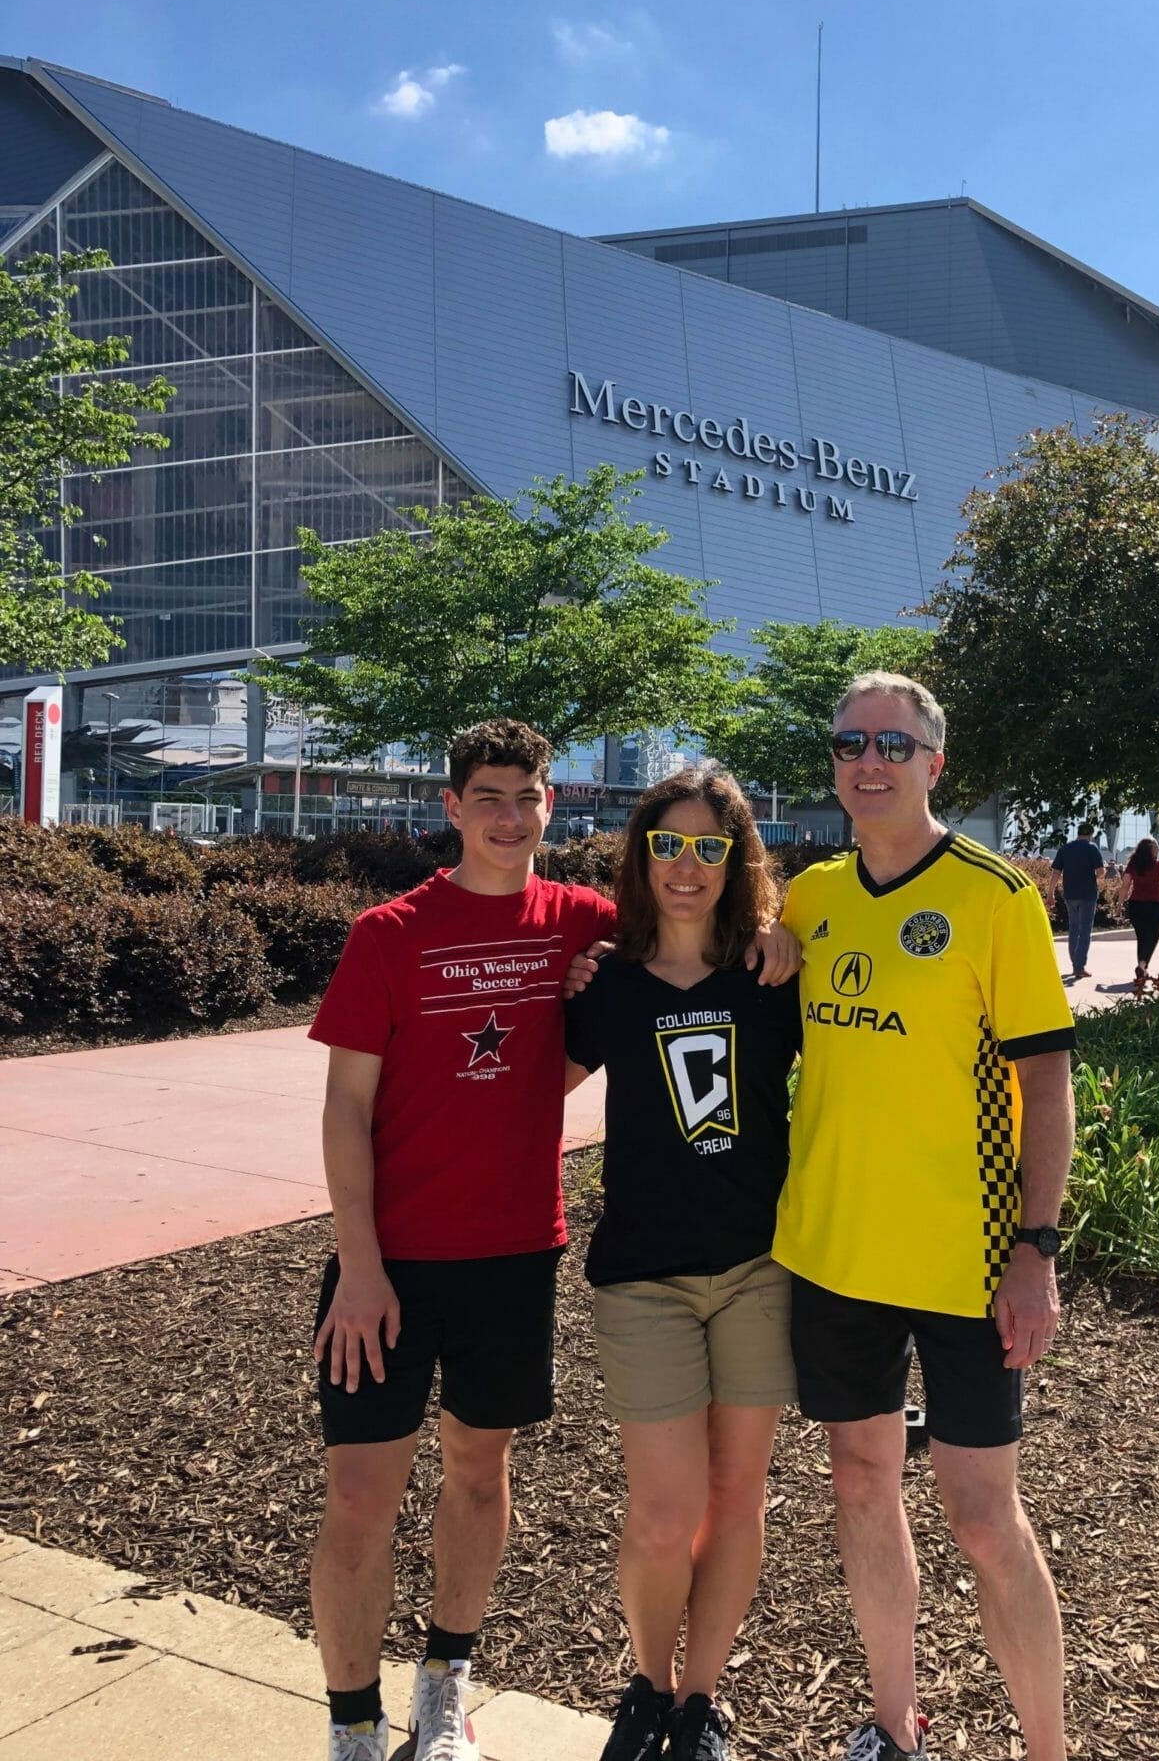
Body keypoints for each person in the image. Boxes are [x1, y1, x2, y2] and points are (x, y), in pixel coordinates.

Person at [307, 718, 798, 1761]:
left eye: (523, 796)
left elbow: (704, 906)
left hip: (513, 1253)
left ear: (548, 808)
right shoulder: (389, 934)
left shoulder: (583, 929)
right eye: (484, 795)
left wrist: (780, 929)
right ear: (449, 807)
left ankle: (444, 1687)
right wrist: (357, 1263)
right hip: (385, 1262)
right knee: (359, 1495)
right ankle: (353, 1725)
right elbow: (344, 1108)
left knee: (479, 1476)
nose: (503, 814)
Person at [774, 671, 1076, 1761]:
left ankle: (1046, 1748)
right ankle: (892, 1726)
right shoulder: (807, 897)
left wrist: (1034, 1253)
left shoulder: (994, 898)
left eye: (892, 745)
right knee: (859, 1481)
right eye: (850, 742)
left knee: (982, 1518)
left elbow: (1046, 1086)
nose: (868, 761)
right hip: (830, 1255)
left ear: (933, 763)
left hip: (966, 1261)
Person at [565, 770, 801, 1761]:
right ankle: (648, 1684)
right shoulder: (606, 984)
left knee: (736, 1499)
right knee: (664, 1516)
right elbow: (518, 1094)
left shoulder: (767, 978)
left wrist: (789, 937)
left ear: (734, 861)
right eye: (670, 845)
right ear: (641, 855)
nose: (687, 867)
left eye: (710, 848)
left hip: (755, 1269)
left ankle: (699, 1701)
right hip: (644, 1280)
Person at [1049, 822, 1105, 981]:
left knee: (1073, 928)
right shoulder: (1092, 848)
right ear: (1091, 834)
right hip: (1087, 894)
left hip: (1070, 894)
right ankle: (1079, 967)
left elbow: (1055, 872)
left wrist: (1050, 892)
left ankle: (1075, 962)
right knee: (1085, 930)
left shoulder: (1066, 849)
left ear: (1078, 832)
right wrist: (1094, 877)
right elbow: (1101, 872)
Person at [1119, 838, 1159, 981]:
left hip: (1136, 905)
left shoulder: (1133, 864)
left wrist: (1119, 904)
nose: (1158, 849)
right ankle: (1142, 965)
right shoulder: (1156, 865)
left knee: (1141, 937)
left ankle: (1142, 968)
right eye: (1156, 846)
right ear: (1150, 849)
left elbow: (1125, 886)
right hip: (1153, 905)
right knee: (1152, 937)